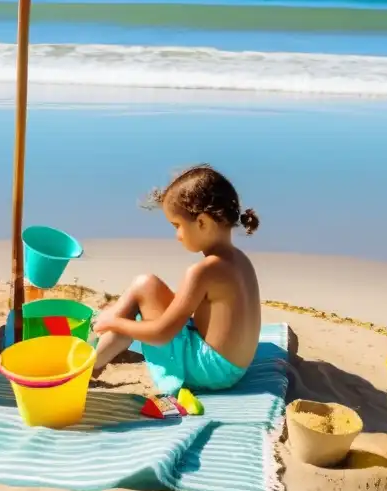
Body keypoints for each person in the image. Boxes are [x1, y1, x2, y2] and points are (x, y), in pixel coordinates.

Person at [92, 164, 261, 395]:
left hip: (210, 371)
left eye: (177, 226)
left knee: (143, 286)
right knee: (144, 293)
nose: (177, 236)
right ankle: (109, 333)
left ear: (202, 222)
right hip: (235, 367)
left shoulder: (202, 271)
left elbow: (162, 334)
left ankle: (90, 364)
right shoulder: (241, 260)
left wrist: (114, 323)